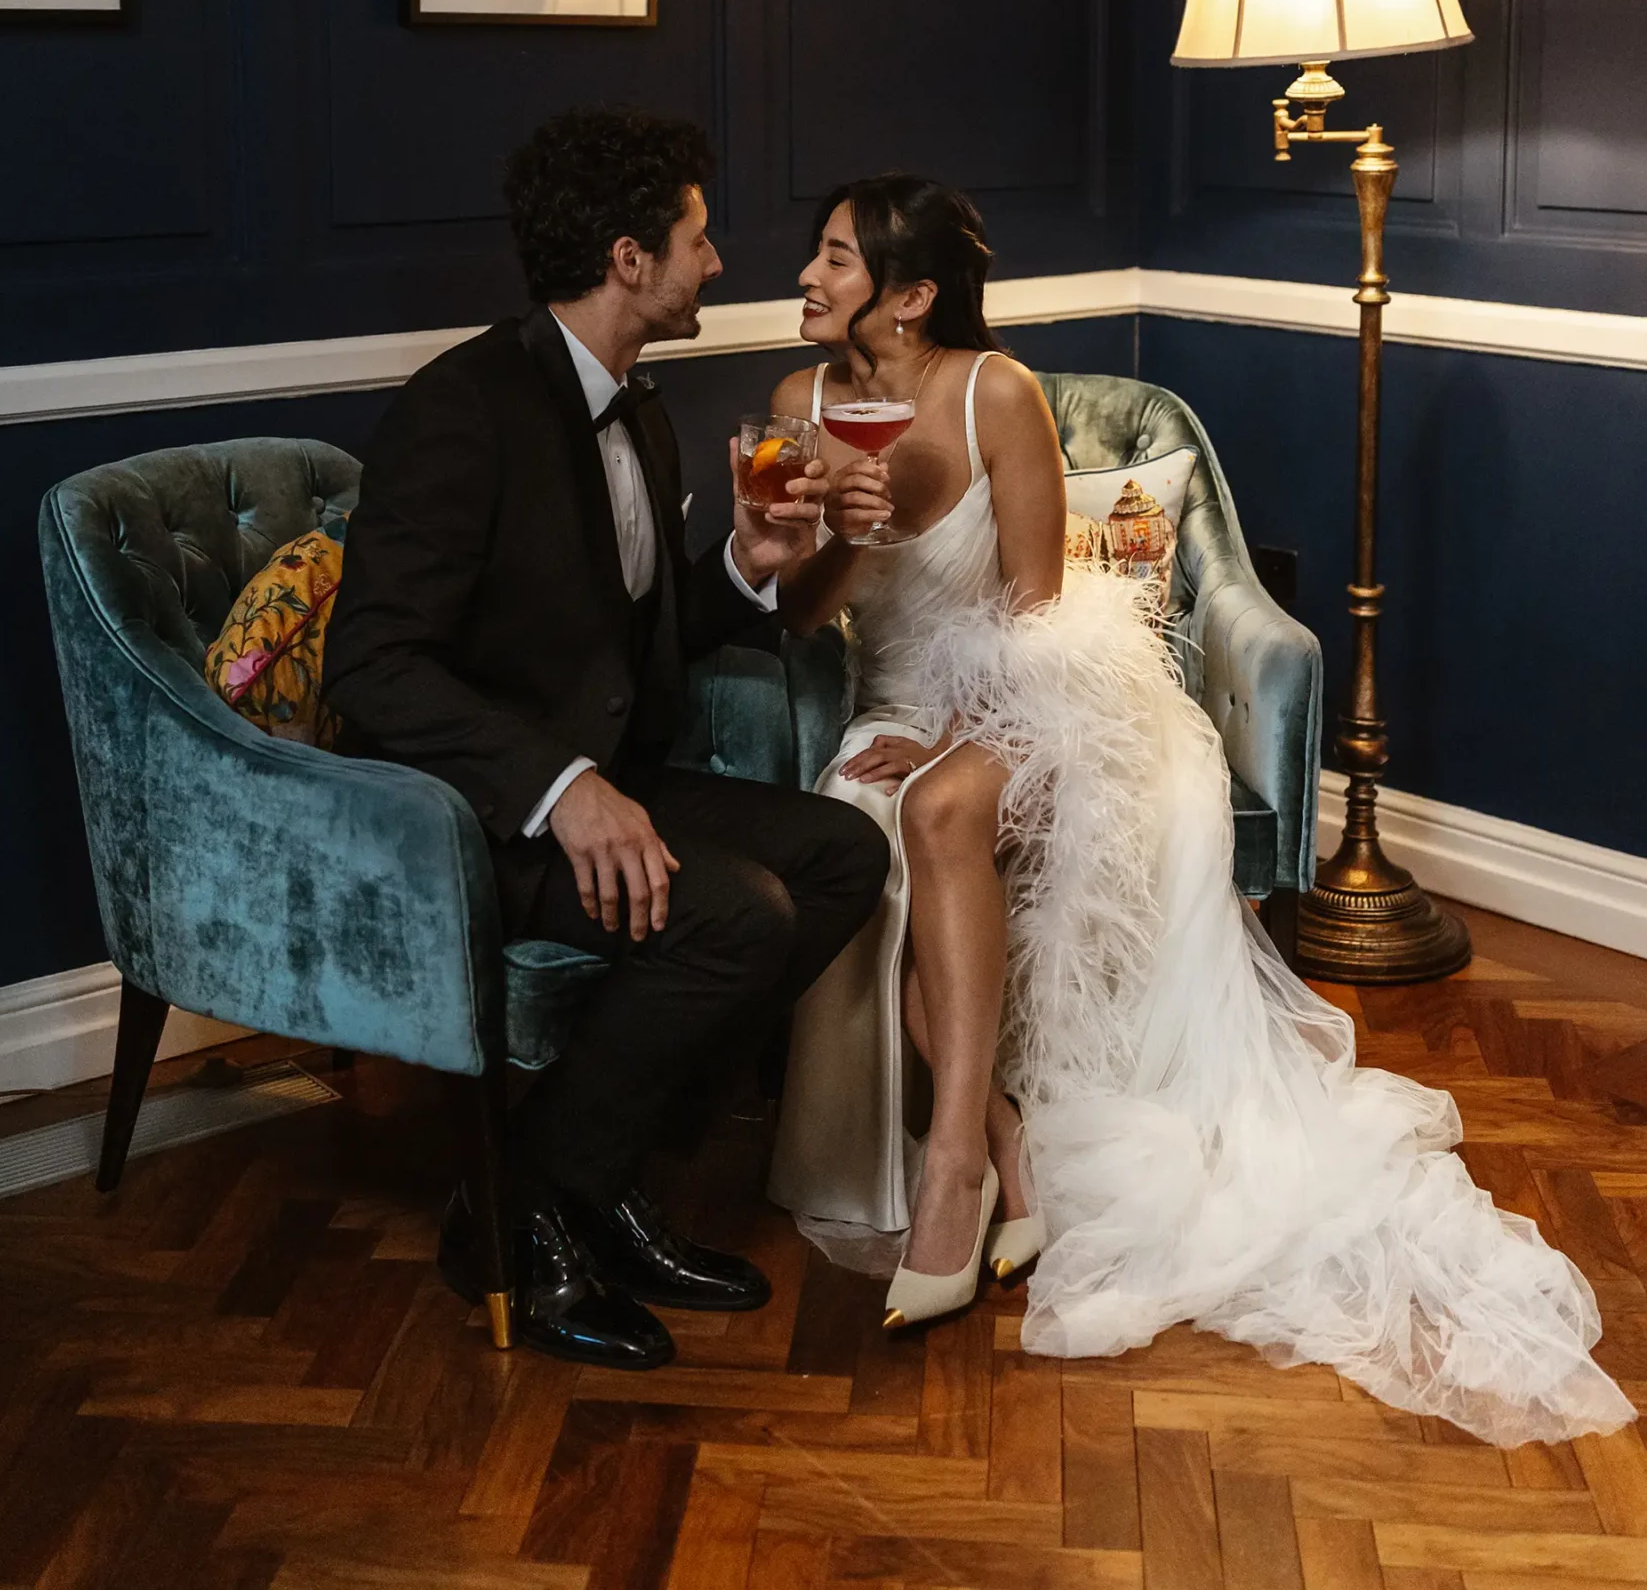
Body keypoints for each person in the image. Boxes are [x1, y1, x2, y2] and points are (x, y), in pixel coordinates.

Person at [765, 172, 1632, 1448]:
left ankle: (948, 1171)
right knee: (865, 828)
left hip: (1038, 687)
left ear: (908, 294)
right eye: (816, 256)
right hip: (892, 703)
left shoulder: (993, 391)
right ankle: (1004, 1140)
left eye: (833, 260)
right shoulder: (801, 404)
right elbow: (797, 612)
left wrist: (955, 733)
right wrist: (839, 534)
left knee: (945, 810)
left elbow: (1034, 606)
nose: (805, 277)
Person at [321, 106, 889, 1373]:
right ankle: (519, 1217)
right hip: (466, 822)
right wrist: (559, 787)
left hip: (611, 778)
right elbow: (373, 663)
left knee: (845, 855)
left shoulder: (641, 411)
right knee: (734, 910)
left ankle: (590, 1179)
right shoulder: (462, 408)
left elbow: (635, 631)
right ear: (630, 258)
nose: (720, 260)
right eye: (697, 235)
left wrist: (745, 563)